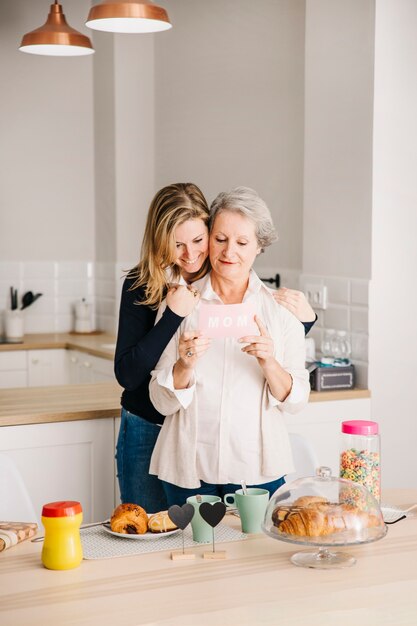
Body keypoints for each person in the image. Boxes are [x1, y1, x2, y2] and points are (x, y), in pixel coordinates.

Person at [115, 183, 316, 512]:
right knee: (158, 537)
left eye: (198, 241)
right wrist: (181, 353)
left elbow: (293, 386)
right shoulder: (169, 295)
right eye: (220, 240)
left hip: (249, 465)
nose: (226, 252)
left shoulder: (268, 303)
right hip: (168, 443)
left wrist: (293, 335)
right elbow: (142, 382)